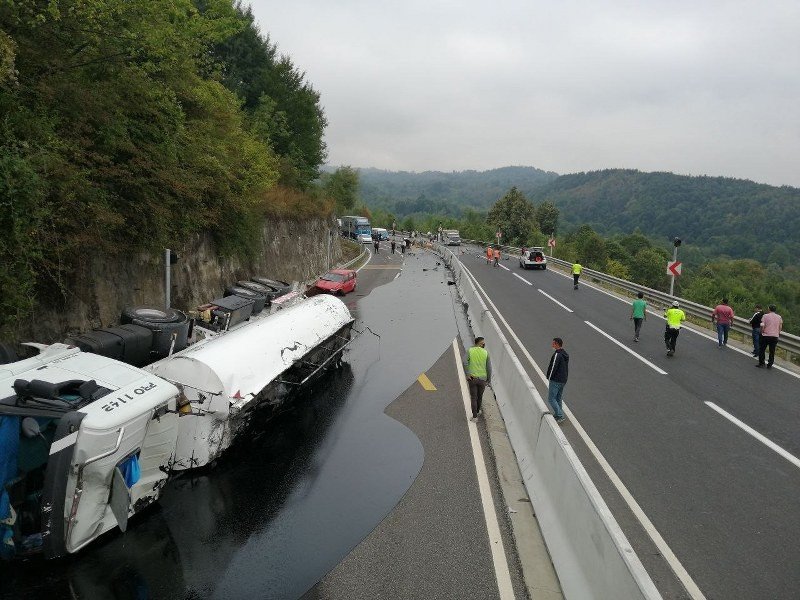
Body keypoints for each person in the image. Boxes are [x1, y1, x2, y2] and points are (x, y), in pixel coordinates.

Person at [464, 337, 491, 420]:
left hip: (472, 378)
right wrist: (488, 379)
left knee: (473, 397)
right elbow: (489, 368)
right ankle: (478, 411)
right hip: (482, 379)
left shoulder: (470, 351)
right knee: (480, 396)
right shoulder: (486, 353)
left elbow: (465, 362)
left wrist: (467, 374)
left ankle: (475, 417)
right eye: (482, 343)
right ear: (478, 343)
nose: (483, 344)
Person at [546, 338, 569, 423]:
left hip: (556, 380)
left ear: (557, 344)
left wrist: (549, 377)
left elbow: (553, 367)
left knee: (551, 399)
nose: (552, 345)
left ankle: (560, 415)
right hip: (563, 380)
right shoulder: (565, 354)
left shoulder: (557, 355)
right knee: (558, 398)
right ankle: (557, 414)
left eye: (553, 343)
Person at [756, 305, 783, 369]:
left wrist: (762, 332)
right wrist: (778, 333)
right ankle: (770, 364)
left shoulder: (765, 316)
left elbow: (762, 325)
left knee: (762, 349)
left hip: (766, 335)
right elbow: (780, 326)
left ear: (769, 309)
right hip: (774, 336)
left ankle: (762, 363)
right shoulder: (779, 317)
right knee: (772, 351)